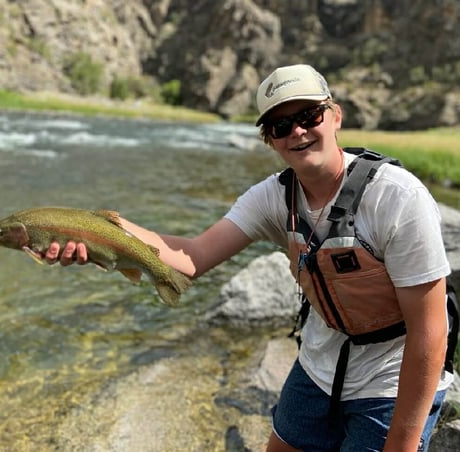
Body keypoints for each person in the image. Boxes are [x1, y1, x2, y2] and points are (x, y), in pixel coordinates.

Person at [45, 64, 453, 451]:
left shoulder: (398, 198)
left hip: (392, 373)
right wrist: (101, 230)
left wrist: (401, 443)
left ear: (335, 117)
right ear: (269, 139)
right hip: (320, 361)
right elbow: (193, 255)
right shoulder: (272, 197)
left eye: (309, 115)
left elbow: (430, 330)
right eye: (281, 125)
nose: (297, 131)